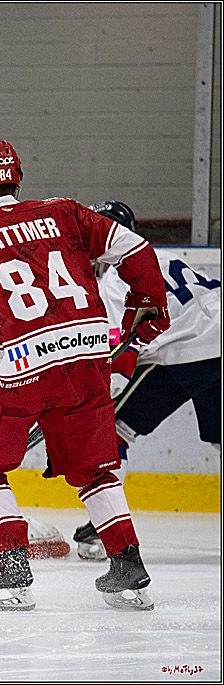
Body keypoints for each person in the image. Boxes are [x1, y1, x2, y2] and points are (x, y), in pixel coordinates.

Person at [0, 140, 169, 611]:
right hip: (88, 358)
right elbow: (137, 249)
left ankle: (9, 565)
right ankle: (128, 562)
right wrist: (146, 304)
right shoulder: (65, 212)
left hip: (21, 366)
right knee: (95, 470)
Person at [69, 200, 221, 560]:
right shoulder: (164, 255)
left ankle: (103, 528)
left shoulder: (112, 280)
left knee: (113, 428)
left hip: (187, 354)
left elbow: (114, 351)